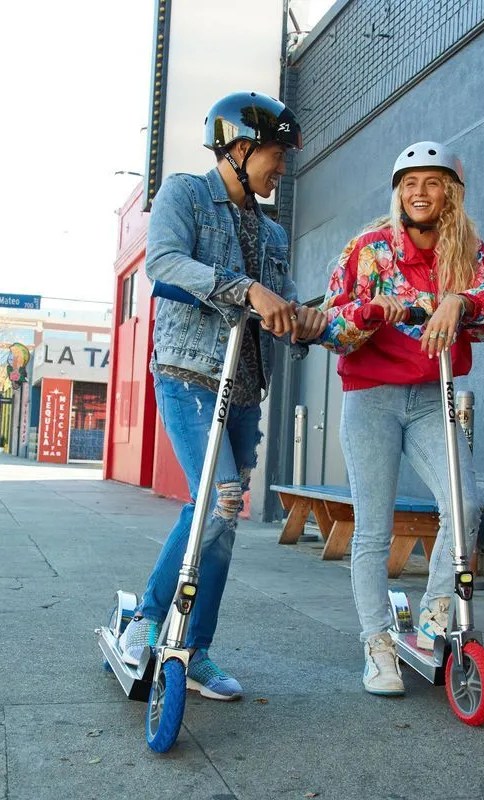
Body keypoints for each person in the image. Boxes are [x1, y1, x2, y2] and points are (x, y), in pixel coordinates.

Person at [119, 91, 326, 700]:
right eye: (275, 155)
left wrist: (311, 321)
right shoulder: (184, 195)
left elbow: (283, 301)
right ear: (239, 148)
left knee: (223, 516)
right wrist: (245, 290)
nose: (280, 169)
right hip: (187, 372)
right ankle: (147, 623)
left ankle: (195, 648)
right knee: (219, 498)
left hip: (243, 387)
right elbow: (163, 263)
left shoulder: (271, 232)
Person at [319, 141, 484, 696]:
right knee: (373, 530)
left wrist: (461, 302)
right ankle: (378, 645)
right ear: (397, 191)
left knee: (464, 506)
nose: (419, 192)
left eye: (432, 182)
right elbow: (332, 326)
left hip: (434, 394)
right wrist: (376, 310)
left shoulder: (467, 250)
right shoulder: (368, 247)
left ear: (450, 192)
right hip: (372, 397)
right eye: (410, 182)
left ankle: (434, 613)